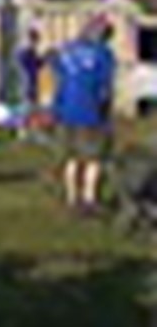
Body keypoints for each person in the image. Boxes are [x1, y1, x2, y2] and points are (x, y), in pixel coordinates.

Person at [51, 16, 117, 215]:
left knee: (71, 157)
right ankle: (89, 199)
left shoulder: (66, 51)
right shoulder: (104, 54)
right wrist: (106, 112)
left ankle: (72, 198)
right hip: (90, 111)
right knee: (93, 159)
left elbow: (57, 73)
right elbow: (105, 89)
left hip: (64, 110)